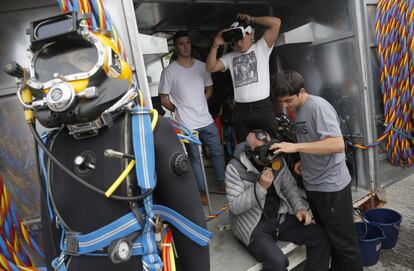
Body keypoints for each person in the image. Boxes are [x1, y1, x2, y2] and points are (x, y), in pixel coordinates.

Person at [271, 70, 363, 271]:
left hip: (331, 188)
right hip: (315, 187)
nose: (285, 106)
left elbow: (338, 145)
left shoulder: (318, 107)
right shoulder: (300, 111)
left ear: (301, 91)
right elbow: (316, 143)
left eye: (288, 100)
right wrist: (305, 161)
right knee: (331, 240)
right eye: (282, 102)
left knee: (345, 246)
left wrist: (295, 148)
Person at [225, 130, 330, 271]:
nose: (270, 154)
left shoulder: (276, 159)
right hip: (253, 227)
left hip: (278, 218)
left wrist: (299, 208)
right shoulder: (235, 168)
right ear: (251, 153)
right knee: (278, 262)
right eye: (264, 151)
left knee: (319, 235)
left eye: (271, 147)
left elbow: (289, 187)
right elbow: (235, 206)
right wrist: (260, 187)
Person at [159, 31, 226, 204]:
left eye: (187, 42)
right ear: (176, 46)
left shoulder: (202, 66)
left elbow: (209, 88)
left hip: (206, 119)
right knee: (195, 159)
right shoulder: (170, 71)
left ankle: (222, 183)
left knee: (218, 152)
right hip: (187, 123)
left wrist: (200, 102)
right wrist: (178, 109)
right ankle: (202, 192)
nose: (185, 46)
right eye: (181, 43)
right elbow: (163, 98)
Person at [207, 13, 281, 143]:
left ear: (249, 34)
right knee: (244, 146)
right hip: (241, 110)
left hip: (262, 107)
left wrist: (252, 19)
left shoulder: (261, 47)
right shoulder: (230, 57)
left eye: (241, 39)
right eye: (235, 41)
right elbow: (210, 68)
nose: (239, 44)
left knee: (272, 144)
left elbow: (276, 23)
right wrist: (215, 44)